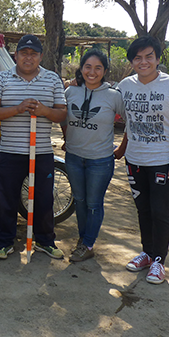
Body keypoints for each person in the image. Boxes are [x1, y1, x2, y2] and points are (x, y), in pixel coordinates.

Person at [0, 34, 67, 260]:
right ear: (16, 55)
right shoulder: (2, 79)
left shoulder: (52, 80)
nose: (28, 58)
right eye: (24, 53)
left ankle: (45, 241)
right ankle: (4, 242)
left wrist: (44, 112)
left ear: (40, 56)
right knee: (6, 198)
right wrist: (19, 108)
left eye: (33, 54)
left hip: (41, 152)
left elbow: (62, 114)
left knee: (43, 198)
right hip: (10, 152)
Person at [118, 35, 169, 284]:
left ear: (158, 59)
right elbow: (129, 122)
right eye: (138, 57)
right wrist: (121, 150)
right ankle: (147, 253)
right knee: (143, 210)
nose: (144, 61)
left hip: (162, 161)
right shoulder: (125, 86)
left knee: (160, 212)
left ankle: (159, 261)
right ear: (132, 62)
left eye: (149, 56)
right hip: (135, 161)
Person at [62, 49, 126, 262]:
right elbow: (62, 117)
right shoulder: (70, 92)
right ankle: (84, 241)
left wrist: (122, 149)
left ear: (105, 71)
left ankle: (88, 243)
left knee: (93, 203)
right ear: (81, 68)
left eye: (98, 67)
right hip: (73, 157)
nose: (92, 72)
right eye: (88, 66)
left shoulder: (114, 96)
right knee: (79, 200)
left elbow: (132, 123)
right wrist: (66, 139)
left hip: (100, 160)